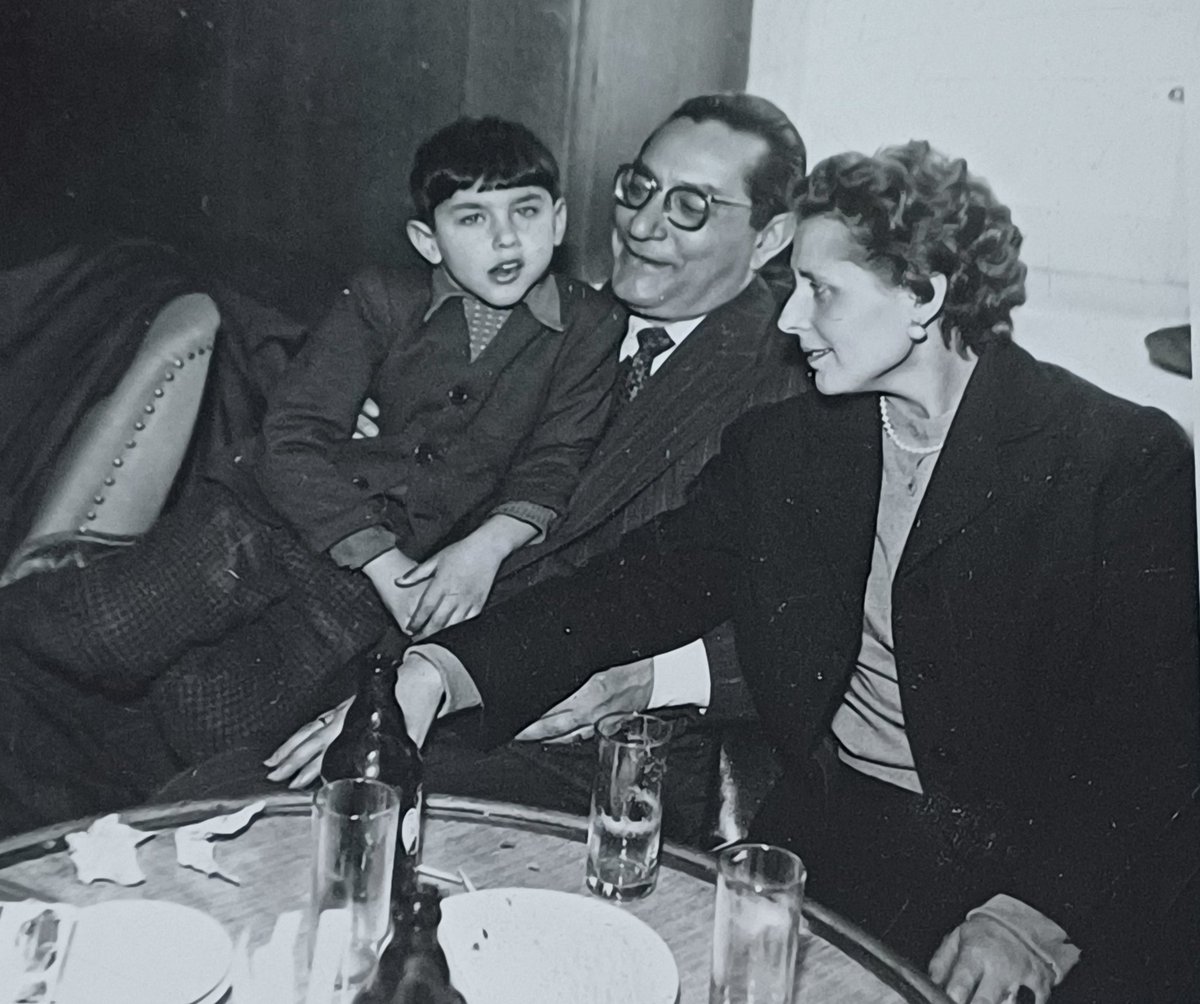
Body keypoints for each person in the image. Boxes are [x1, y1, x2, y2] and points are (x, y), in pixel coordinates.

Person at [282, 141, 1200, 1001]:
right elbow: (636, 584)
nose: (791, 321)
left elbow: (1152, 739)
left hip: (1042, 863)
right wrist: (437, 669)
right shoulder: (794, 445)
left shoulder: (1117, 459)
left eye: (820, 291)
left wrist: (1031, 917)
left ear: (924, 294)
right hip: (842, 831)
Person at [0, 115, 620, 831]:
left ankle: (86, 813)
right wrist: (384, 563)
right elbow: (290, 436)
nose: (507, 239)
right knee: (95, 635)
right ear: (428, 240)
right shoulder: (381, 298)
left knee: (206, 726)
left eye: (527, 211)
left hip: (361, 602)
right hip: (263, 525)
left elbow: (555, 459)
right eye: (473, 218)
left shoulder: (590, 326)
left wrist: (486, 546)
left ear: (561, 218)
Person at [268, 93, 809, 842]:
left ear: (770, 235)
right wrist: (382, 416)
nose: (644, 225)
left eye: (691, 206)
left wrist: (655, 677)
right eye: (639, 188)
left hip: (577, 735)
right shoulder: (551, 299)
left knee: (307, 840)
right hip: (409, 643)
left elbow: (819, 617)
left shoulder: (792, 379)